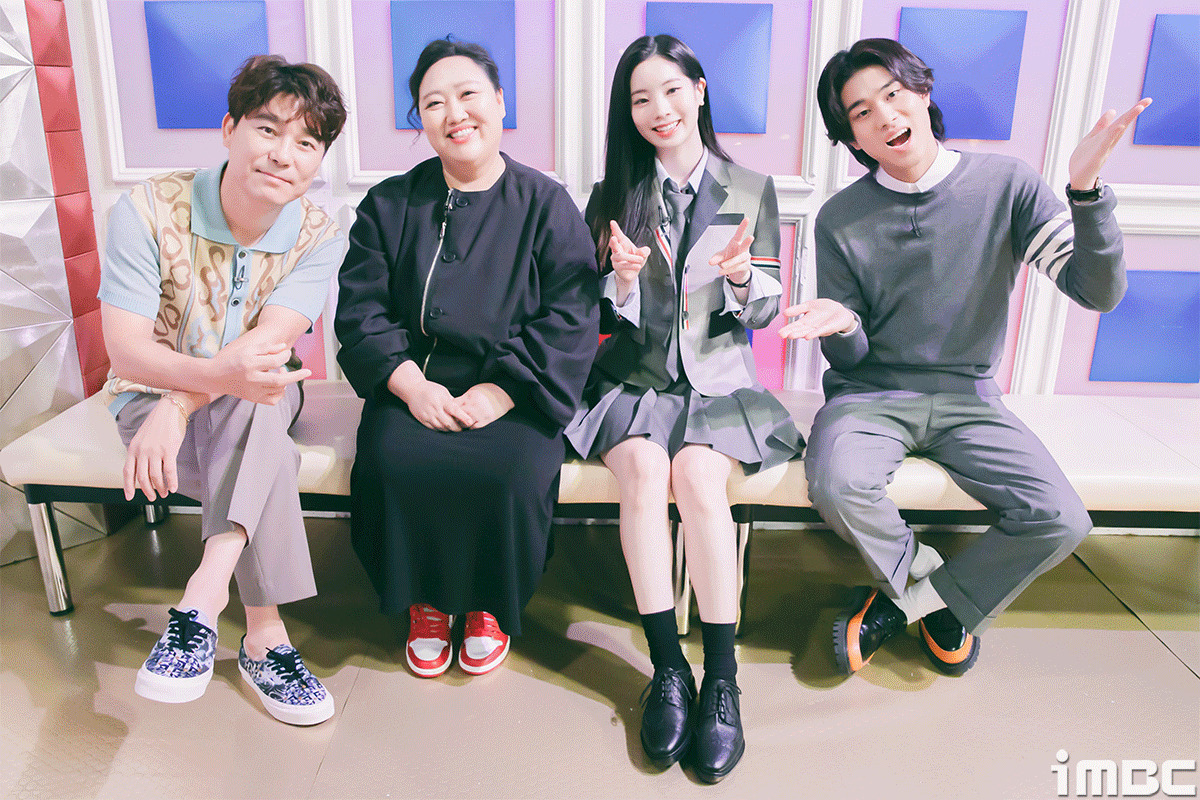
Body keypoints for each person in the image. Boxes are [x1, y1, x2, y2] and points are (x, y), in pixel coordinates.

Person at [781, 38, 1150, 678]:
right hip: (870, 398)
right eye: (862, 112)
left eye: (893, 95)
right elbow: (853, 355)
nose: (885, 116)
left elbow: (1098, 292)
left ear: (923, 93)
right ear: (852, 138)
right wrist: (843, 325)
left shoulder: (1006, 185)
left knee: (1060, 518)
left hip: (969, 399)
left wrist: (1086, 192)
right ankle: (939, 596)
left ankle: (917, 604)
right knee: (838, 484)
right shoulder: (840, 217)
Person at [565, 35, 801, 783]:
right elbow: (589, 315)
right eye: (640, 99)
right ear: (627, 113)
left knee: (698, 478)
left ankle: (722, 680)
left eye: (671, 90)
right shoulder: (612, 196)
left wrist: (741, 280)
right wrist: (621, 282)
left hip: (719, 384)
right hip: (633, 382)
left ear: (699, 90)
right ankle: (668, 668)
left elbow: (762, 311)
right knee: (642, 473)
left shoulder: (752, 189)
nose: (658, 109)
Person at [335, 39, 599, 680]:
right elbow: (362, 311)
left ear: (500, 102)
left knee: (511, 471)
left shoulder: (546, 205)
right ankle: (424, 603)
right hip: (414, 384)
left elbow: (571, 314)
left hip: (519, 390)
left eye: (468, 94)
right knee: (394, 459)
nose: (454, 113)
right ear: (421, 120)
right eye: (434, 103)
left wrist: (498, 393)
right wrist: (412, 387)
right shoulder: (389, 205)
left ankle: (488, 606)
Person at [99, 55, 348, 725]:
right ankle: (266, 637)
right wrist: (171, 402)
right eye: (268, 129)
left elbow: (265, 351)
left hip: (241, 391)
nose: (284, 154)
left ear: (319, 160)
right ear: (229, 129)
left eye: (307, 143)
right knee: (264, 431)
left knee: (258, 390)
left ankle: (202, 599)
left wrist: (182, 404)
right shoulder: (148, 210)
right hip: (147, 395)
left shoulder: (319, 234)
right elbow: (127, 351)